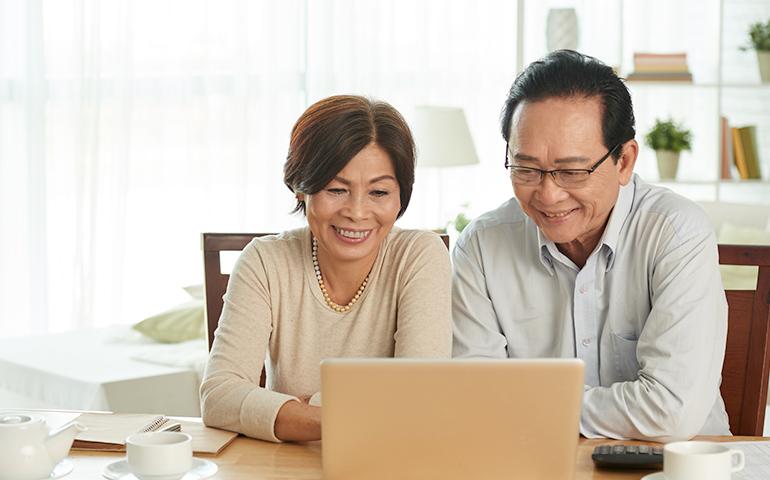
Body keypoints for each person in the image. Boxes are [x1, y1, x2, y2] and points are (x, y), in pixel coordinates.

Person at [452, 50, 730, 441]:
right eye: (526, 169)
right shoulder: (480, 247)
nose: (548, 195)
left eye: (572, 171)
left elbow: (671, 412)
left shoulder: (676, 233)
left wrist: (526, 406)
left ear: (624, 161)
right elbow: (473, 400)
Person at [201, 95, 452, 443]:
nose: (357, 212)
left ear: (400, 196)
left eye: (379, 192)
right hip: (287, 466)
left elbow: (420, 399)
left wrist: (292, 409)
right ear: (300, 188)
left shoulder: (419, 255)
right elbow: (218, 396)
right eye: (336, 189)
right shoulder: (264, 261)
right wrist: (340, 420)